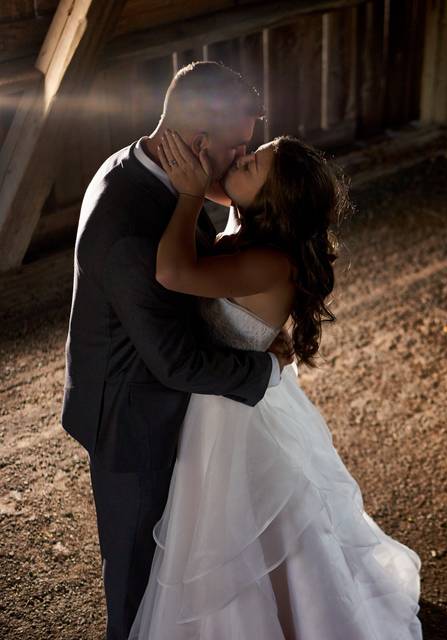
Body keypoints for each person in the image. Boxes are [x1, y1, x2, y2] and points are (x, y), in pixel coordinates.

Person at [124, 118, 422, 634]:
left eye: (248, 163)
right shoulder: (244, 232)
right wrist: (210, 170)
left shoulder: (267, 260)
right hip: (223, 394)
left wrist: (192, 195)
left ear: (272, 200)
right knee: (248, 531)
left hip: (230, 417)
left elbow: (173, 273)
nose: (236, 158)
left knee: (236, 530)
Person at [61, 61, 293, 640]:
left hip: (154, 396)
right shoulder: (132, 224)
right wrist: (265, 367)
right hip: (134, 417)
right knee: (139, 578)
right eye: (238, 147)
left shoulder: (140, 167)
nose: (243, 159)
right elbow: (177, 362)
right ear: (198, 143)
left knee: (183, 560)